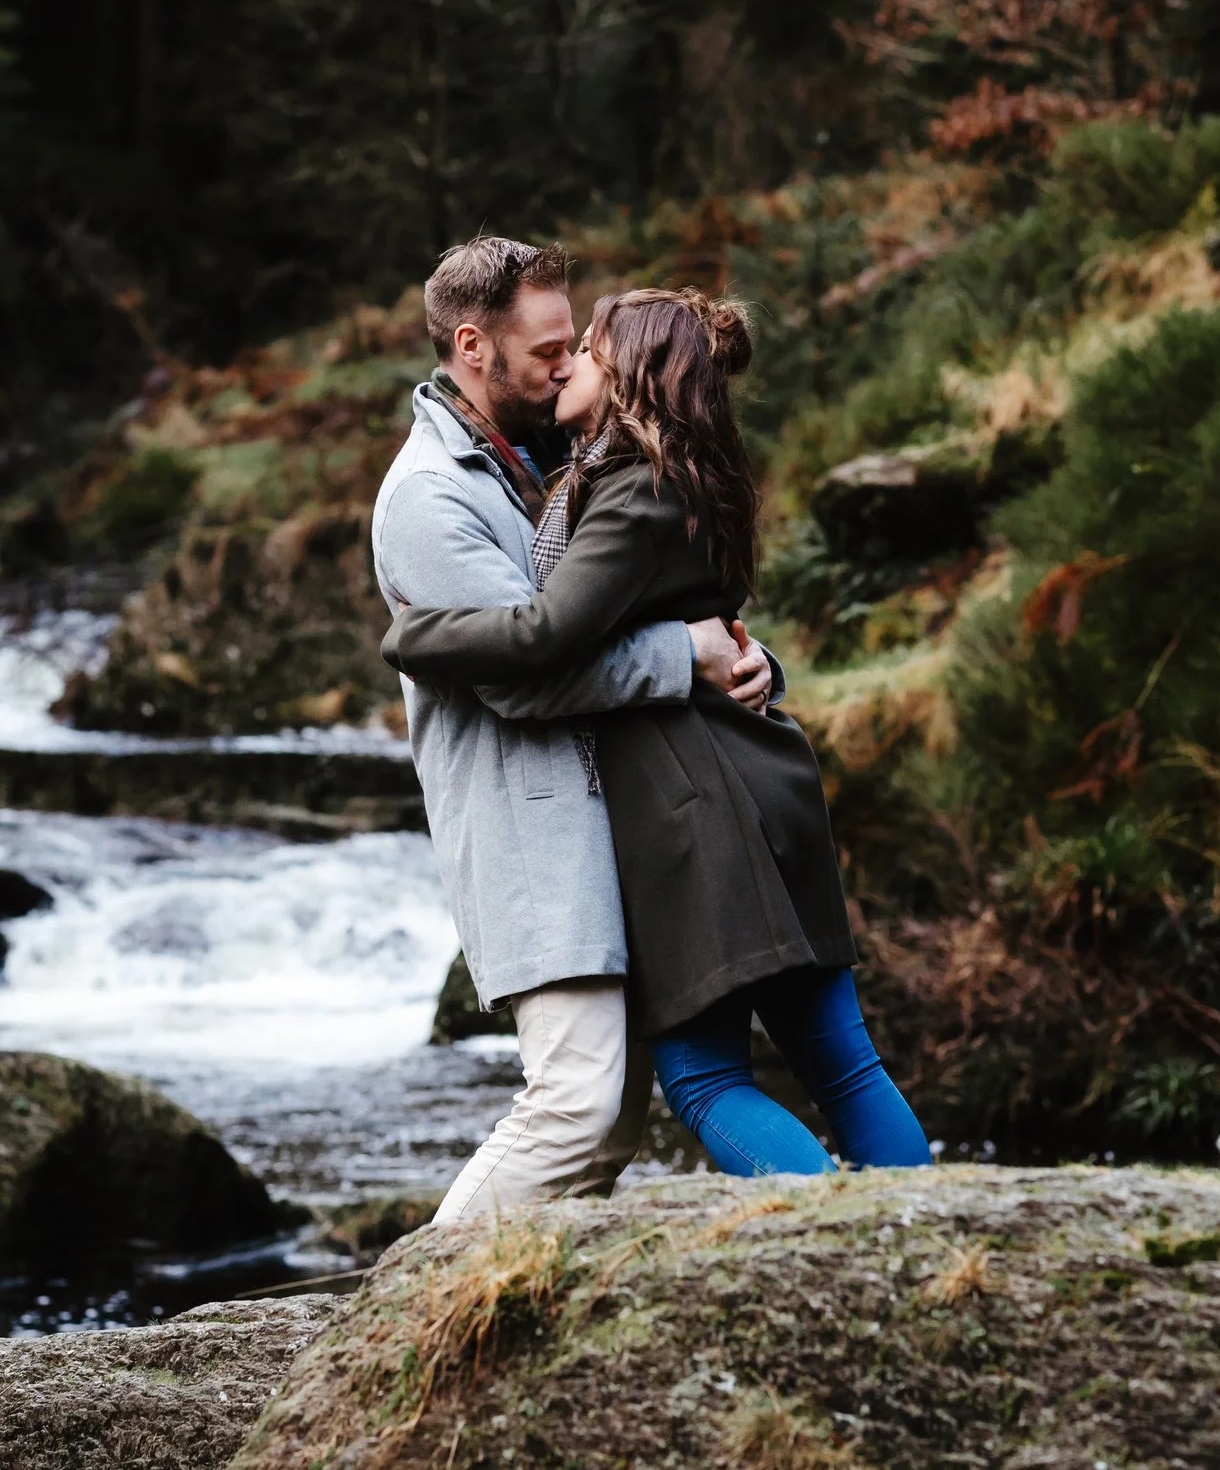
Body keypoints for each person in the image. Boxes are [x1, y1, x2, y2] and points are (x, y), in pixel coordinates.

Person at [383, 287, 932, 1177]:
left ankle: (839, 1236)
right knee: (843, 1061)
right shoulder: (690, 472)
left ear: (628, 375)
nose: (569, 365)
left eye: (586, 351)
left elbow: (544, 637)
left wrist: (416, 632)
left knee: (705, 1076)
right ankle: (918, 1234)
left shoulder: (631, 489)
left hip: (693, 799)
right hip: (764, 771)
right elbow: (697, 623)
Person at [371, 239, 775, 1223]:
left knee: (612, 1124)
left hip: (624, 817)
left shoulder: (566, 449)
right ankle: (400, 1323)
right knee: (576, 1106)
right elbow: (526, 678)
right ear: (472, 343)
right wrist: (688, 657)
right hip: (529, 828)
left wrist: (742, 655)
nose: (569, 363)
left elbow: (646, 598)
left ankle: (487, 1348)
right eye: (549, 348)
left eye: (572, 345)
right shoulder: (430, 497)